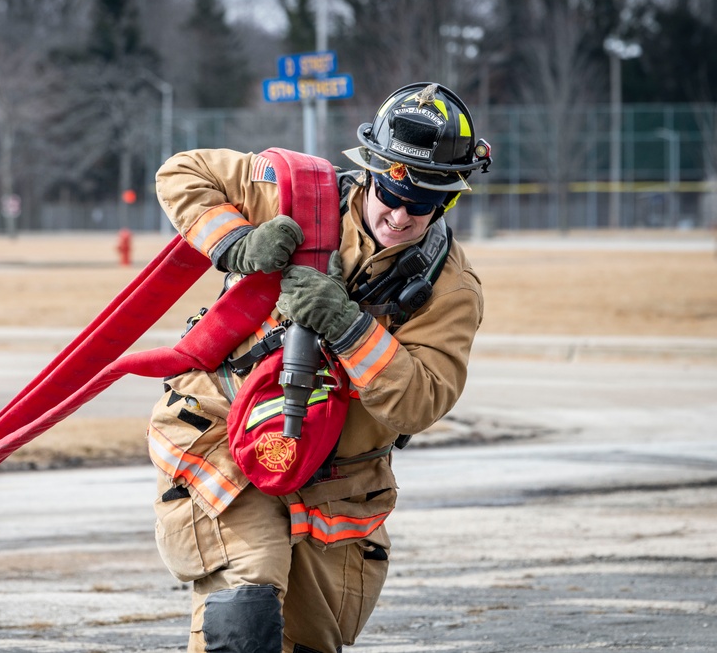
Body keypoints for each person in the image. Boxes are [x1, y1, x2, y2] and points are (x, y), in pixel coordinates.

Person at [148, 82, 491, 653]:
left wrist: (349, 328)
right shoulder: (297, 194)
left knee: (303, 643)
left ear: (450, 199)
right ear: (371, 168)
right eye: (391, 191)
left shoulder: (449, 290)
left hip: (337, 485)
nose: (402, 216)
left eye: (426, 203)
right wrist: (237, 242)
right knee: (248, 613)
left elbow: (422, 400)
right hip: (228, 441)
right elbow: (181, 173)